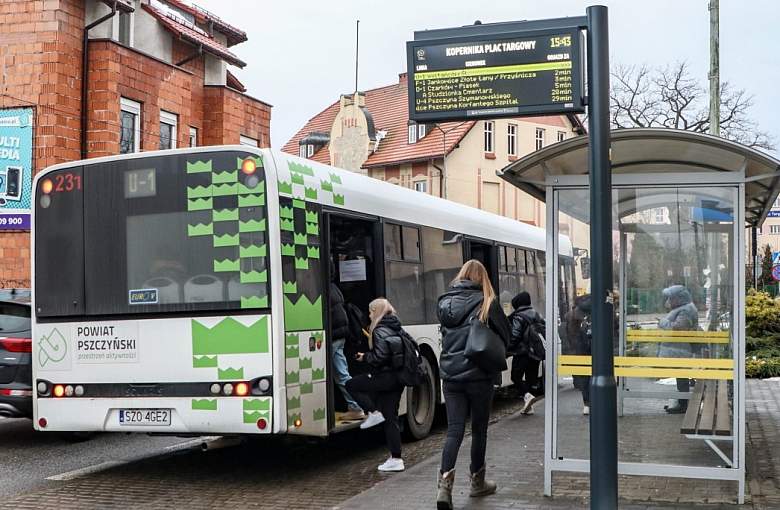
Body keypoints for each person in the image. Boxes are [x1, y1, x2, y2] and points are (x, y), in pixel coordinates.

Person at [435, 260, 511, 510]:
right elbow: (506, 335)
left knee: (454, 431)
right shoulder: (488, 302)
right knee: (479, 430)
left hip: (451, 376)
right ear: (482, 278)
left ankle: (444, 487)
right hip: (479, 376)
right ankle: (477, 483)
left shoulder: (444, 302)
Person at [346, 298, 407, 472]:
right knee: (391, 418)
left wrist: (364, 357)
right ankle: (396, 459)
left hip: (385, 377)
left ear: (377, 312)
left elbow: (381, 356)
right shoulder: (397, 326)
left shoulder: (379, 330)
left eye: (371, 311)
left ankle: (372, 411)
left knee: (351, 384)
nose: (369, 315)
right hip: (397, 379)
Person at [658, 285, 699, 414]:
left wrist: (662, 323)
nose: (669, 301)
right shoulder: (684, 308)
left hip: (680, 348)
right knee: (681, 376)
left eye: (671, 298)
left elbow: (679, 328)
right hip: (679, 348)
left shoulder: (685, 310)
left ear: (679, 298)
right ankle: (681, 403)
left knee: (682, 376)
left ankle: (683, 405)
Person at [329, 270, 364, 421]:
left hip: (333, 336)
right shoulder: (333, 287)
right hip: (340, 335)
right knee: (341, 374)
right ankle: (356, 407)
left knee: (339, 375)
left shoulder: (322, 288)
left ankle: (356, 406)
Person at [508, 291, 546, 415]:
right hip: (535, 352)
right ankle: (529, 407)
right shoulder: (537, 315)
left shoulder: (518, 316)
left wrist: (508, 348)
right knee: (531, 379)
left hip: (522, 352)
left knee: (516, 377)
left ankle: (527, 396)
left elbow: (515, 335)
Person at [563, 294, 592, 416]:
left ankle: (587, 404)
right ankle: (595, 401)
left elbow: (567, 335)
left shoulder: (571, 315)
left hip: (579, 351)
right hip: (595, 350)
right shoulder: (596, 312)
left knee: (584, 378)